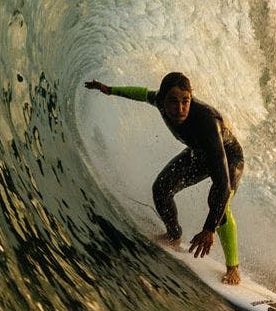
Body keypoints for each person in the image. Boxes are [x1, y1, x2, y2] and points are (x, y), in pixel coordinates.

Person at [85, 72, 244, 285]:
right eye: (173, 102)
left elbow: (223, 184)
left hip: (228, 157)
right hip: (200, 153)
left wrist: (208, 229)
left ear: (191, 98)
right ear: (162, 99)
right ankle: (173, 234)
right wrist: (109, 90)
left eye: (185, 102)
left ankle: (233, 268)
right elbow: (142, 94)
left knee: (219, 203)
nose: (180, 109)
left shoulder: (207, 121)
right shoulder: (158, 100)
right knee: (161, 189)